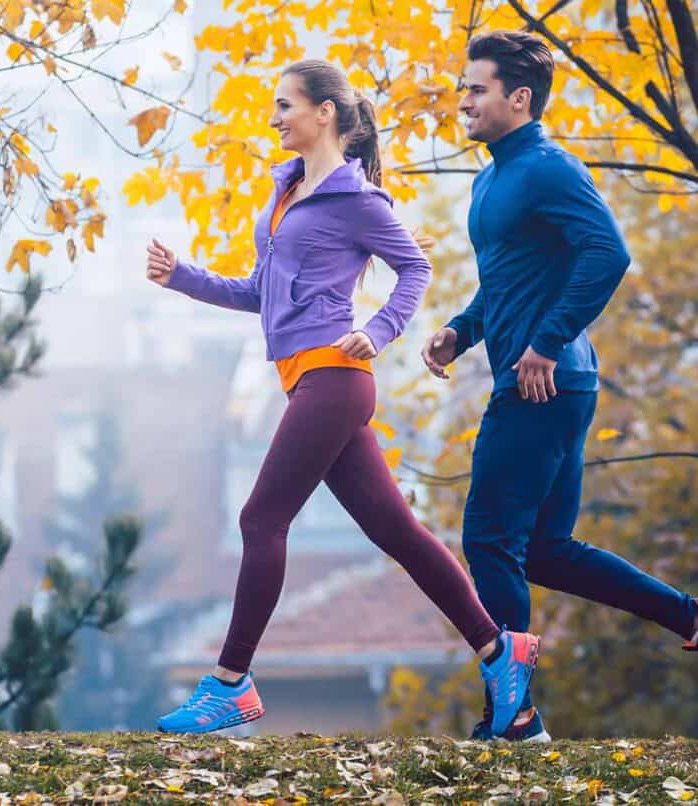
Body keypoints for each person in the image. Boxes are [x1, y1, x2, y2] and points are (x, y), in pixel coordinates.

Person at [146, 59, 540, 736]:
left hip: (335, 377)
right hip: (305, 378)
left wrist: (377, 330)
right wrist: (183, 277)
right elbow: (256, 294)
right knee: (396, 531)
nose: (273, 118)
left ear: (325, 112)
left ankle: (230, 683)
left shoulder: (358, 201)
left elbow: (415, 268)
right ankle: (501, 655)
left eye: (284, 105)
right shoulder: (285, 192)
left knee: (259, 520)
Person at [422, 30, 698, 743]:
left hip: (544, 383)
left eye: (477, 89)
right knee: (544, 550)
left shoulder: (548, 167)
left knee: (488, 539)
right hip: (552, 379)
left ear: (519, 98)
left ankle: (514, 717)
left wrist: (544, 344)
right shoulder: (492, 178)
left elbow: (609, 252)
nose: (464, 101)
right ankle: (688, 615)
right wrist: (461, 330)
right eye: (464, 89)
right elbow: (508, 280)